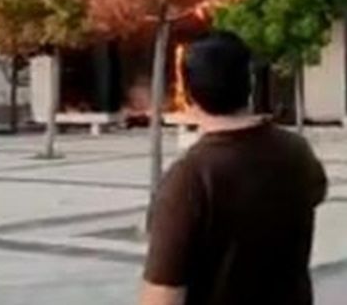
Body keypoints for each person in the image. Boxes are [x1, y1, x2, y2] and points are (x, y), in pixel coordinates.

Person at [141, 31, 328, 305]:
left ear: (188, 91)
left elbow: (163, 295)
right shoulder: (297, 152)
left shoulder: (190, 178)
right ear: (250, 82)